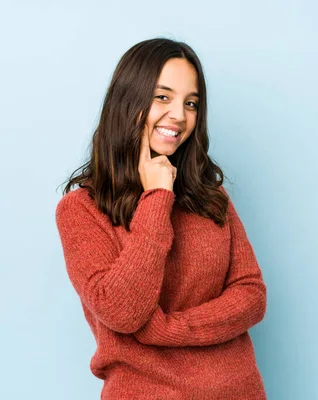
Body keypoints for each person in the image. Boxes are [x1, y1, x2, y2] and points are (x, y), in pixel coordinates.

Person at [55, 37, 268, 399]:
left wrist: (170, 330)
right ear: (128, 101)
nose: (179, 116)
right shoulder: (81, 210)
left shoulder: (211, 198)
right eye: (162, 97)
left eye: (191, 103)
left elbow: (251, 295)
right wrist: (157, 196)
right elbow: (122, 312)